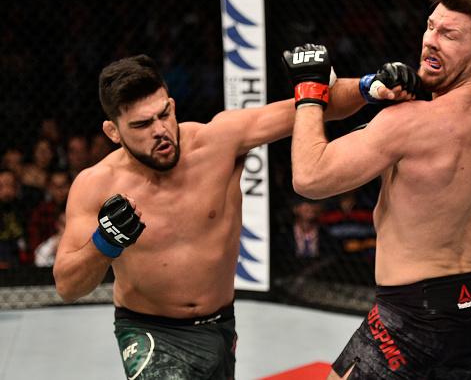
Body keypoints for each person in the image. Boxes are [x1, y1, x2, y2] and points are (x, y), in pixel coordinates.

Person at [52, 54, 368, 379]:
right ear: (113, 131)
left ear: (172, 104)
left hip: (220, 326)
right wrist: (104, 242)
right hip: (149, 332)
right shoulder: (96, 185)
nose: (161, 130)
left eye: (165, 114)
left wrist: (372, 85)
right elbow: (67, 286)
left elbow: (315, 105)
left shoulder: (218, 142)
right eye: (142, 125)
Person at [285, 0, 471, 379]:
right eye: (430, 26)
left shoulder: (407, 124)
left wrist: (309, 89)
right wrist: (373, 87)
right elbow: (448, 117)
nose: (430, 41)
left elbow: (309, 176)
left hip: (411, 315)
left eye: (449, 34)